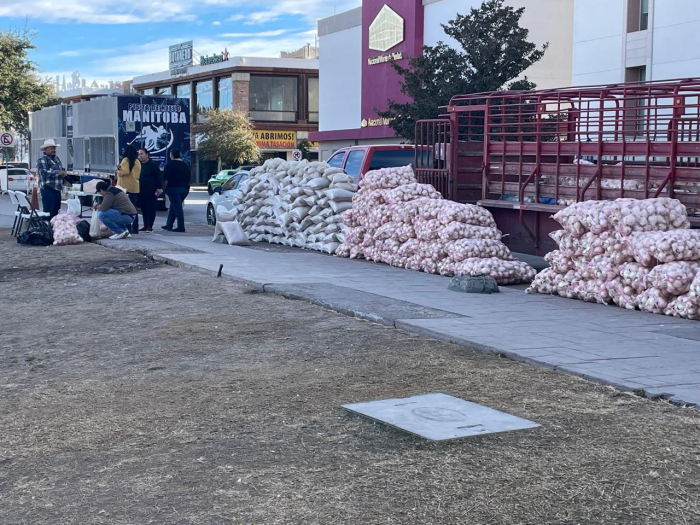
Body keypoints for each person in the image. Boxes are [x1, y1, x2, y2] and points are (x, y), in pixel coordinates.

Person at [36, 139, 68, 218]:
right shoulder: (42, 160)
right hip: (48, 188)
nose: (54, 150)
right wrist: (57, 172)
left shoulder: (57, 159)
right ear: (46, 149)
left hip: (57, 188)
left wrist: (64, 172)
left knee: (56, 212)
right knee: (48, 211)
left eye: (54, 148)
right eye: (52, 148)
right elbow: (43, 173)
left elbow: (61, 169)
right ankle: (47, 225)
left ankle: (54, 225)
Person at [162, 149, 190, 232]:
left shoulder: (170, 165)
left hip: (173, 188)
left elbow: (165, 178)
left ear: (172, 155)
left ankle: (181, 226)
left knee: (177, 208)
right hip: (184, 189)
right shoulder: (185, 165)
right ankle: (169, 225)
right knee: (173, 206)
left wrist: (164, 188)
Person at [116, 144, 141, 234]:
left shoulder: (125, 160)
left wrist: (118, 171)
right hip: (134, 187)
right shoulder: (137, 161)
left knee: (125, 208)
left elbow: (125, 171)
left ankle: (128, 227)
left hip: (125, 187)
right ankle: (135, 227)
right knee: (133, 208)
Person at [137, 148, 162, 232]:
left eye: (142, 154)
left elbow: (158, 177)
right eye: (139, 154)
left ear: (147, 154)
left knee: (150, 208)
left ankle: (150, 226)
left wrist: (159, 188)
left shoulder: (152, 165)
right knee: (143, 208)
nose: (140, 156)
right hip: (140, 190)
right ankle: (145, 225)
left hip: (150, 190)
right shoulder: (138, 165)